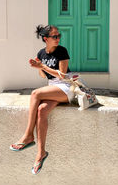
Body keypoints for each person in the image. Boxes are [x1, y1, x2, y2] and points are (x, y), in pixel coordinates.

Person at [10, 25, 74, 174]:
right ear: (45, 39)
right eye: (54, 37)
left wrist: (42, 66)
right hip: (53, 87)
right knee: (41, 110)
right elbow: (43, 76)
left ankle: (28, 136)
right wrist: (38, 67)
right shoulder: (41, 53)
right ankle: (41, 153)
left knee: (35, 94)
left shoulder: (62, 51)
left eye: (58, 36)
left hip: (66, 87)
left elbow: (62, 75)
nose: (58, 38)